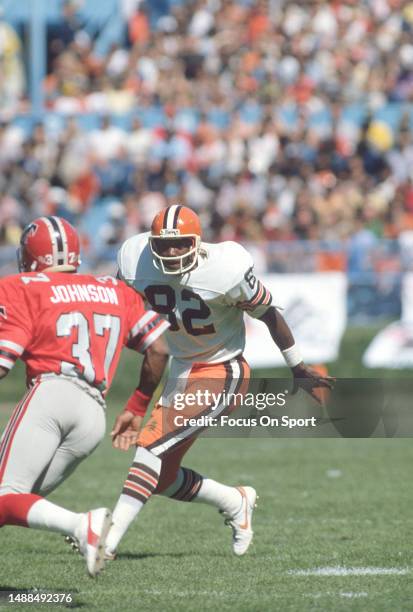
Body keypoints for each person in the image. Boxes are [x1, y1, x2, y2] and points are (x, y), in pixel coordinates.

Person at [106, 205, 334, 558]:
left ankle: (105, 540)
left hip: (221, 370)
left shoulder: (225, 268)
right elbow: (124, 309)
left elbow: (270, 315)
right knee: (161, 477)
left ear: (196, 243)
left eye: (179, 244)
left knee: (149, 445)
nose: (170, 252)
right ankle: (235, 500)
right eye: (163, 246)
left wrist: (298, 366)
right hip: (180, 369)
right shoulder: (135, 258)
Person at [0, 215, 169, 576]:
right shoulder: (115, 289)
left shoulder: (23, 286)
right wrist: (138, 405)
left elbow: (3, 360)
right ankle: (83, 528)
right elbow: (160, 350)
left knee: (4, 495)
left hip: (52, 394)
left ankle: (82, 525)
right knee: (9, 505)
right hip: (94, 413)